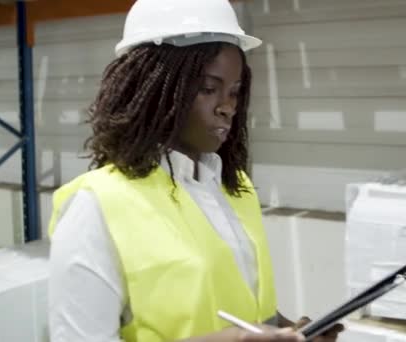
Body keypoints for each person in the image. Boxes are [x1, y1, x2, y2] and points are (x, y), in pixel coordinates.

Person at [47, 0, 343, 341]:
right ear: (155, 89)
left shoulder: (235, 188)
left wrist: (287, 331)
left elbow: (245, 306)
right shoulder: (97, 205)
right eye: (207, 89)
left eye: (234, 92)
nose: (227, 107)